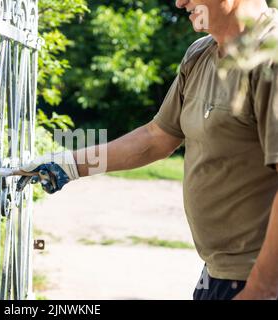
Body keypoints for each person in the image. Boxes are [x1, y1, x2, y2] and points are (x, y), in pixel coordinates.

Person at [15, 0, 278, 300]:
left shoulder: (270, 56)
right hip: (218, 276)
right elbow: (156, 137)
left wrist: (261, 288)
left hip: (260, 282)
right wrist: (69, 164)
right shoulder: (200, 54)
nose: (179, 2)